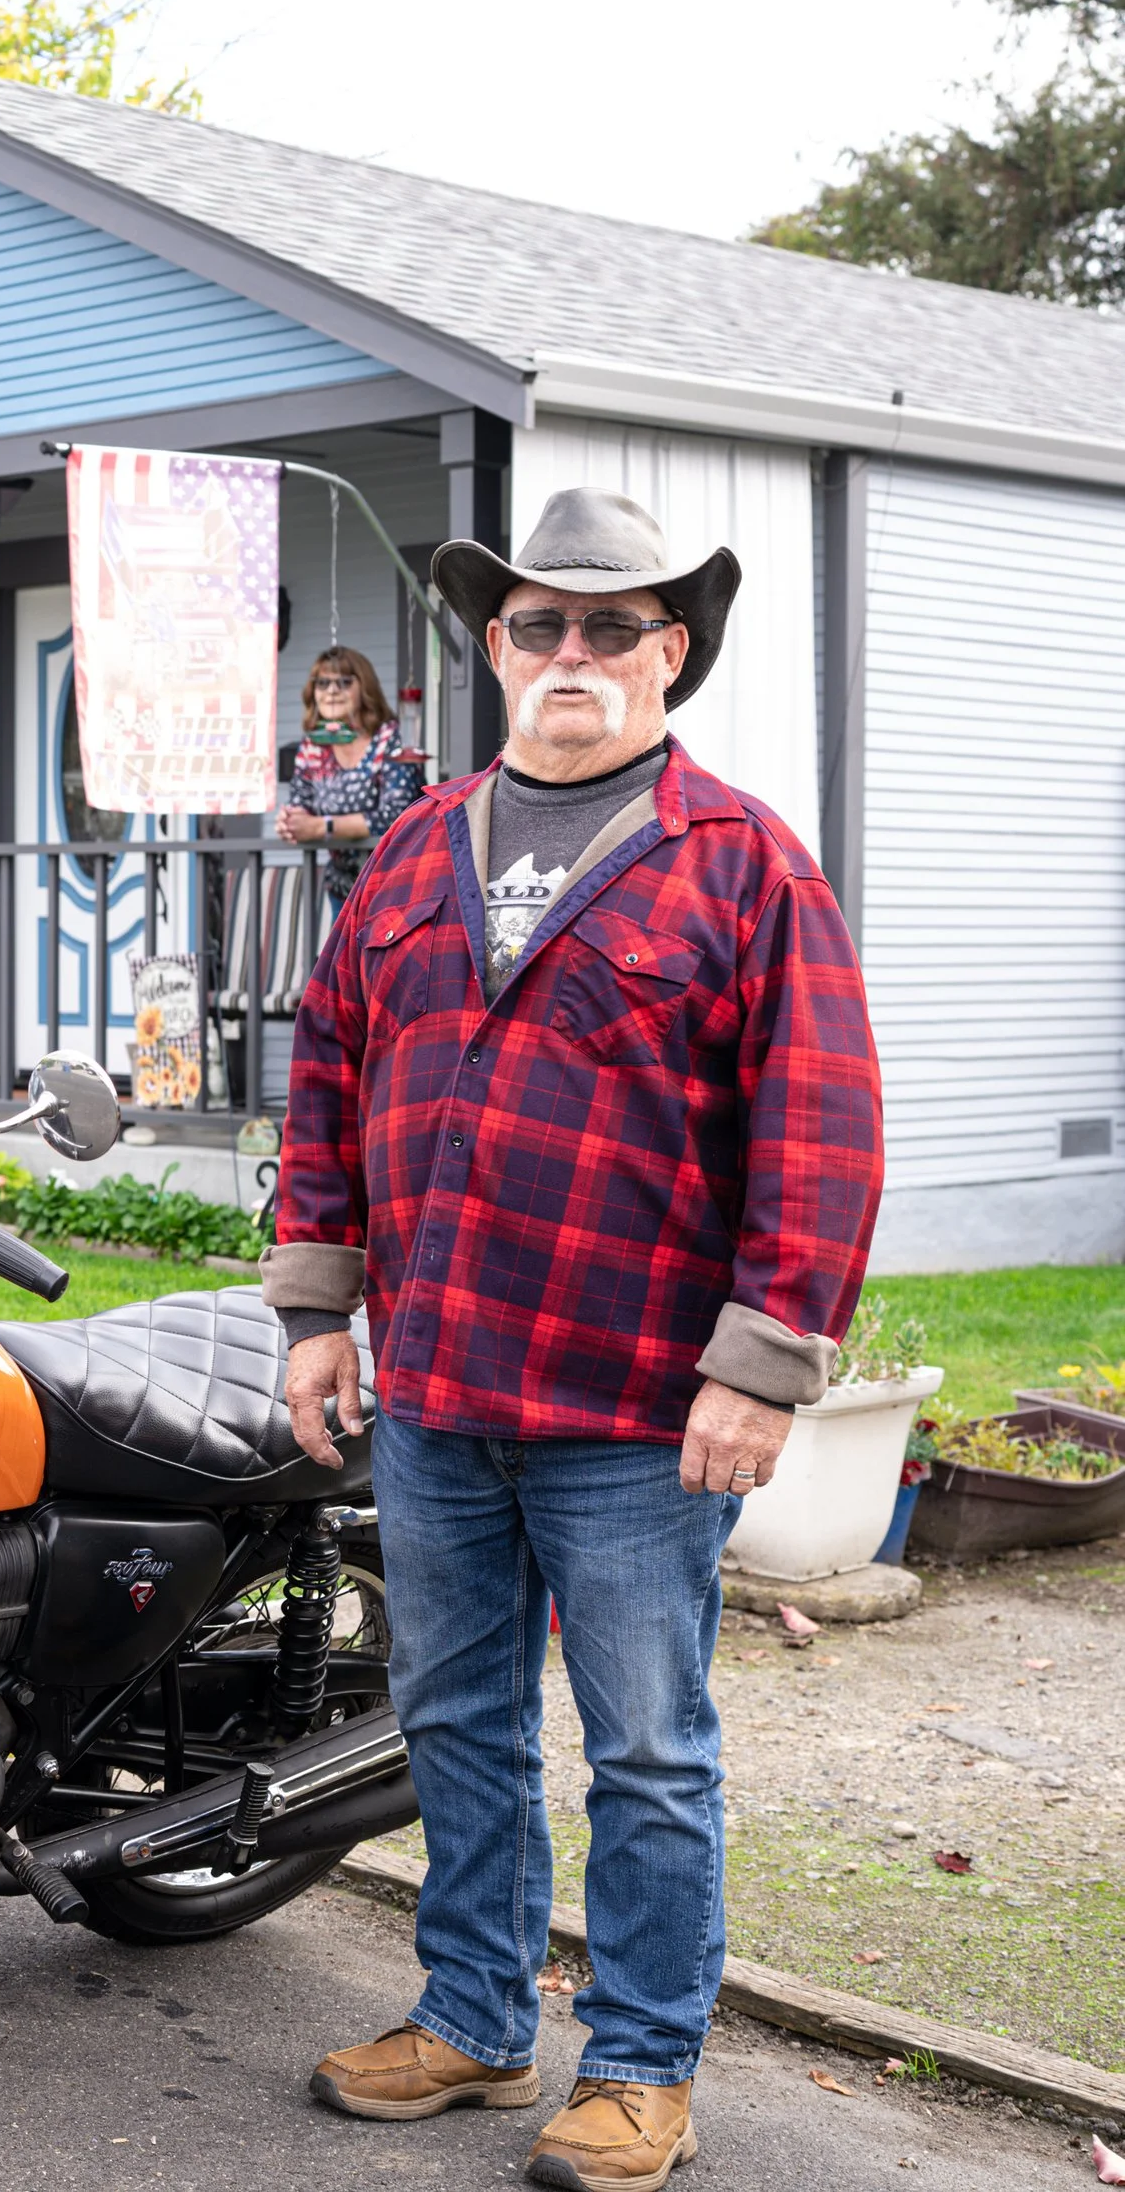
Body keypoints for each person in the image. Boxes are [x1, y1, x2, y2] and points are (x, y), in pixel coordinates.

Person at [263, 488, 883, 2191]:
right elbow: (328, 1079)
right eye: (540, 623)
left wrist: (761, 1367)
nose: (573, 653)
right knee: (456, 1716)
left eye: (613, 626)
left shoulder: (742, 859)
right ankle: (471, 2015)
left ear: (670, 650)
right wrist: (321, 1307)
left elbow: (820, 1128)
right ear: (495, 646)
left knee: (648, 1748)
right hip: (440, 1384)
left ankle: (639, 2059)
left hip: (629, 1406)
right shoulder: (409, 850)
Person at [273, 645, 423, 903]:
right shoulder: (313, 747)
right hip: (344, 888)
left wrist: (321, 827)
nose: (332, 691)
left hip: (398, 884)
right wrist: (289, 823)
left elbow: (396, 817)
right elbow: (301, 807)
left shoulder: (390, 739)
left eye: (343, 682)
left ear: (363, 689)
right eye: (322, 683)